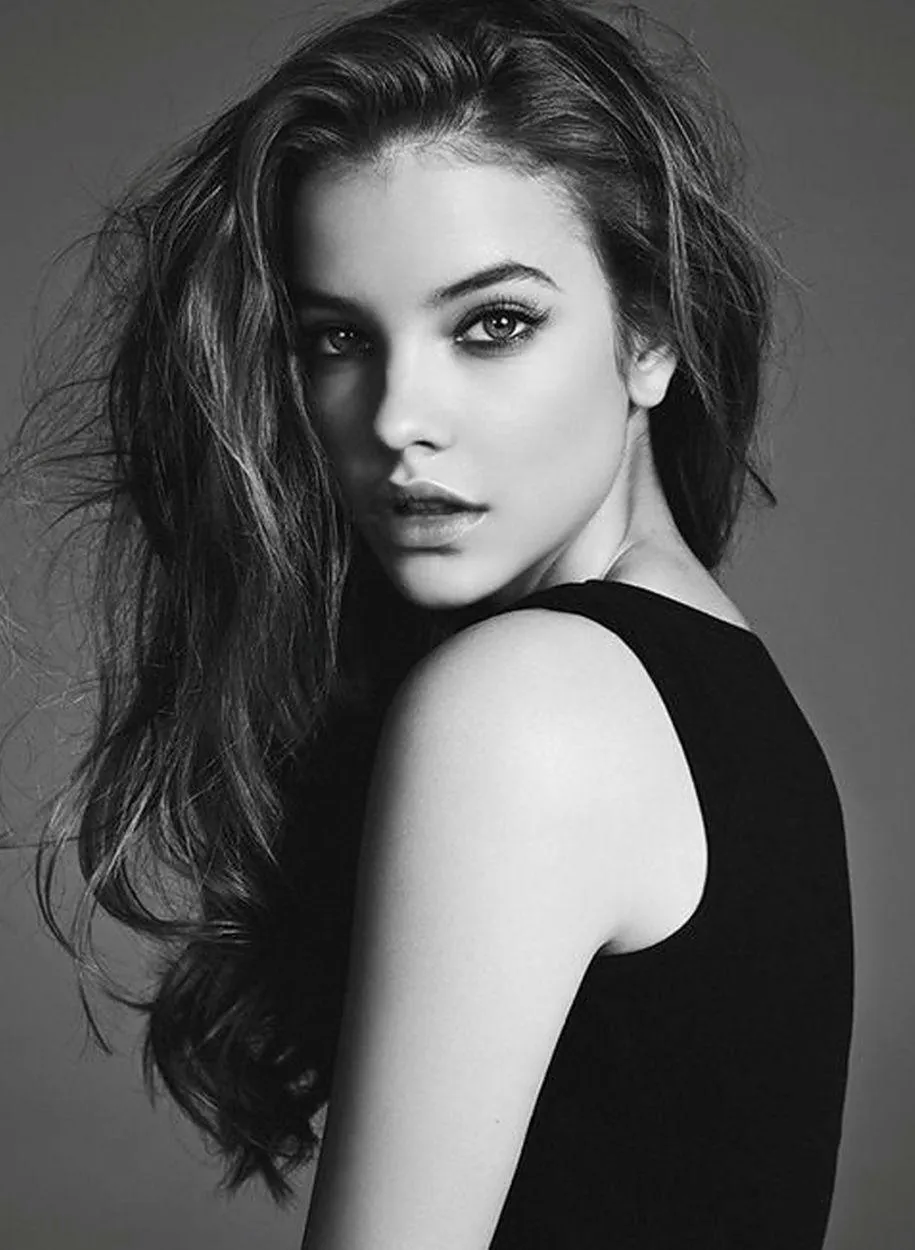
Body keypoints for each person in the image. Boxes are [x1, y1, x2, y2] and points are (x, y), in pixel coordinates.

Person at [14, 0, 853, 1246]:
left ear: (650, 334)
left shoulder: (531, 702)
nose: (398, 415)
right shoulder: (709, 696)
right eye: (339, 338)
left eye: (491, 323)